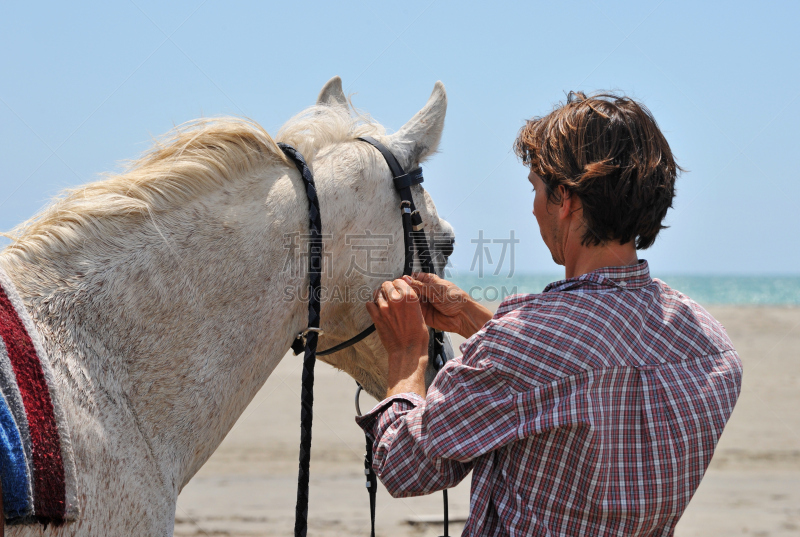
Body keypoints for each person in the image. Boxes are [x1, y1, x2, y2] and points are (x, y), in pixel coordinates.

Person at [357, 92, 743, 536]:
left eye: (537, 189)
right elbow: (581, 371)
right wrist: (468, 318)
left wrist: (408, 355)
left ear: (566, 201)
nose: (535, 206)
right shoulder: (712, 349)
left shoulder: (524, 344)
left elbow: (406, 465)